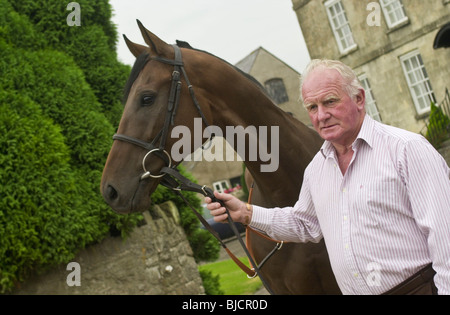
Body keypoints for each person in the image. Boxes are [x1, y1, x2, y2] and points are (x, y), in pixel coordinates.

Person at [205, 59, 450, 295]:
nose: (321, 115)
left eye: (330, 102)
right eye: (312, 107)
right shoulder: (317, 169)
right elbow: (304, 223)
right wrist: (246, 213)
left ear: (359, 99)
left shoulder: (407, 149)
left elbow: (445, 236)